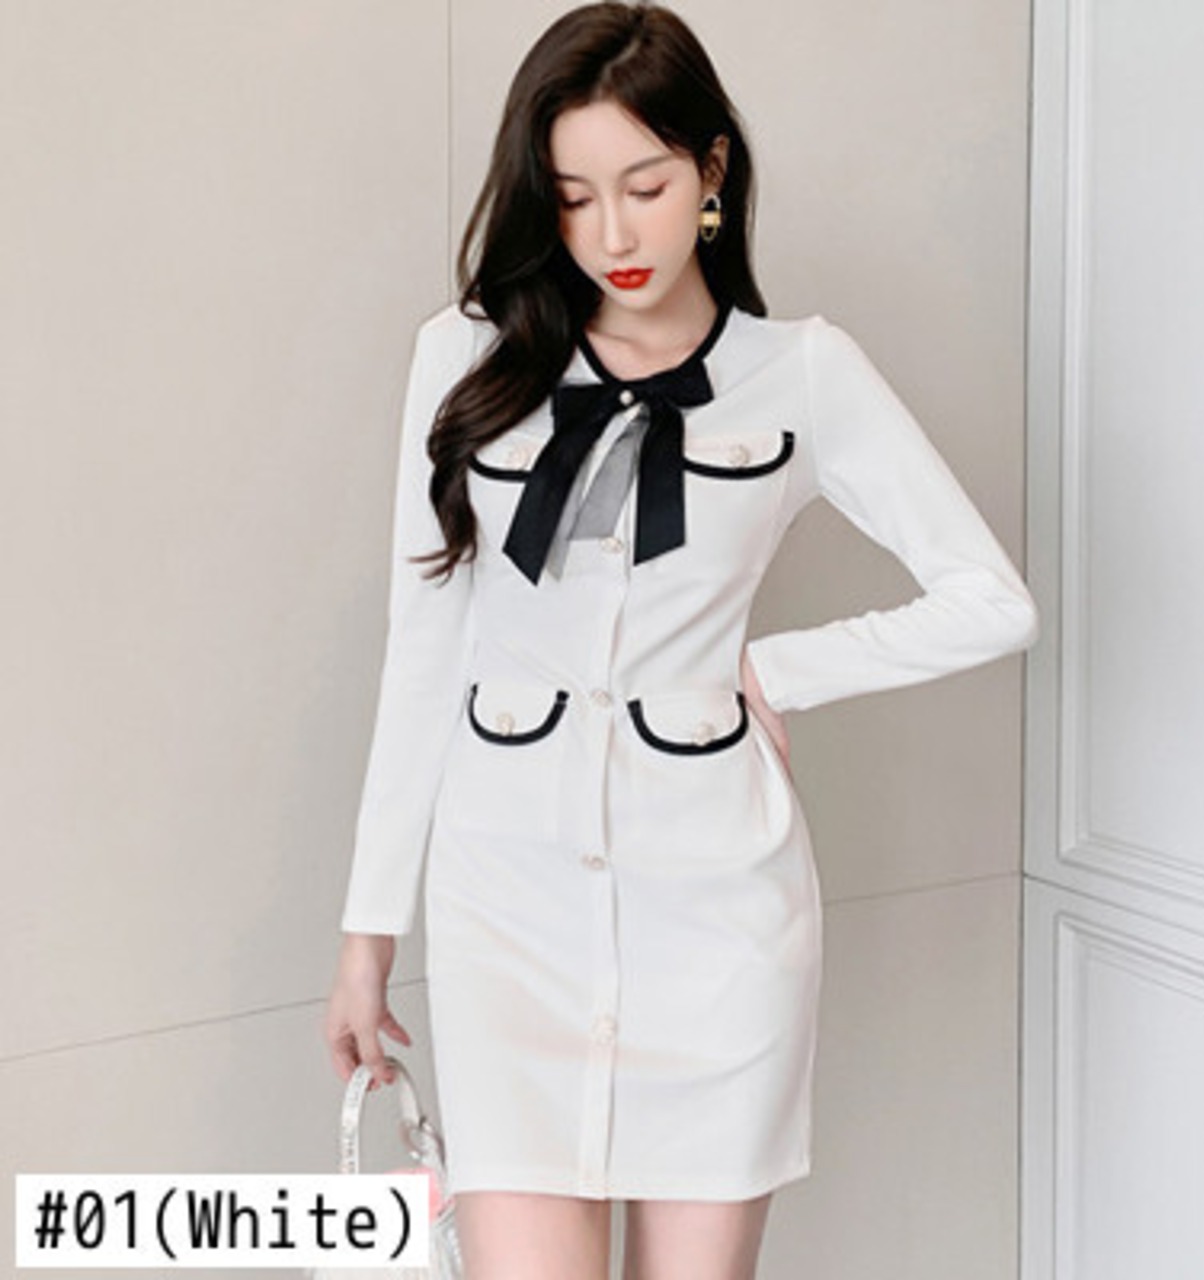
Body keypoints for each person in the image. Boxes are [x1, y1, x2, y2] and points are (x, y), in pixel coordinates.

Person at [323, 3, 1038, 1277]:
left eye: (644, 187)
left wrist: (773, 671)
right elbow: (422, 654)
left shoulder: (800, 371)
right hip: (506, 917)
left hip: (720, 926)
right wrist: (366, 937)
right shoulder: (466, 359)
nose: (611, 233)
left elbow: (991, 598)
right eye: (572, 197)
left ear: (710, 171)